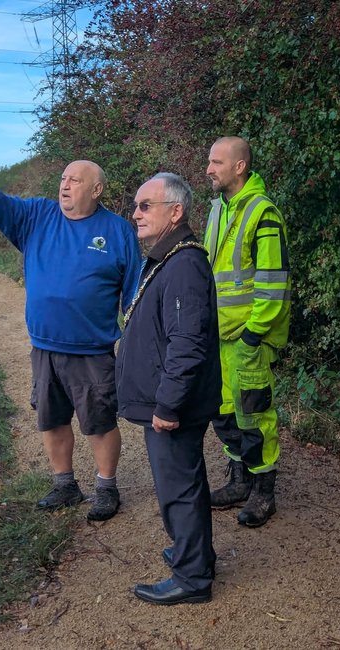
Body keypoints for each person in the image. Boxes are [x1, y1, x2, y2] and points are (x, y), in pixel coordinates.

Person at [0, 162, 141, 521]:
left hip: (92, 349)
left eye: (75, 180)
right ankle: (64, 484)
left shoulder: (117, 231)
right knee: (51, 419)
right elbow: (3, 206)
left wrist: (139, 341)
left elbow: (133, 292)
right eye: (63, 179)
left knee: (99, 422)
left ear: (96, 190)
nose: (65, 185)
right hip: (46, 348)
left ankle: (106, 487)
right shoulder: (38, 216)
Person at [117, 172, 220, 605]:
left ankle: (192, 578)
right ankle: (193, 554)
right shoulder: (168, 258)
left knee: (179, 489)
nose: (136, 213)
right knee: (180, 482)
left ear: (175, 212)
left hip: (173, 406)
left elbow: (188, 342)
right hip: (167, 401)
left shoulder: (183, 264)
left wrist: (167, 404)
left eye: (146, 206)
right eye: (136, 206)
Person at [203, 136, 291, 527]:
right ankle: (239, 480)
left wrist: (254, 334)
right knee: (224, 413)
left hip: (248, 339)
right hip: (219, 338)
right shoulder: (217, 210)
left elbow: (273, 283)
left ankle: (263, 493)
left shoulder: (263, 212)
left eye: (217, 162)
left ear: (239, 167)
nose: (209, 169)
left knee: (255, 415)